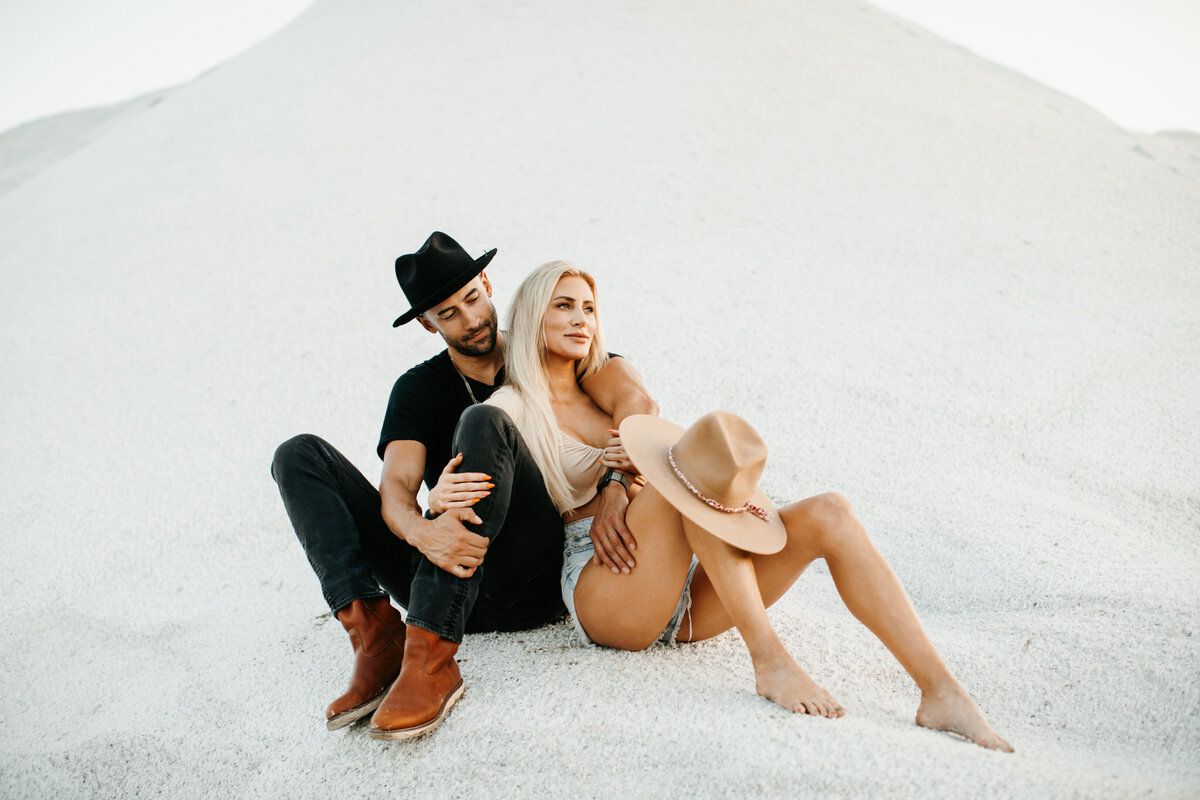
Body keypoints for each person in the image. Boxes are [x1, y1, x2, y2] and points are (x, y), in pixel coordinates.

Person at [483, 260, 1013, 752]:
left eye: (589, 308)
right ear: (532, 315)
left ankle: (940, 692)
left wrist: (620, 483)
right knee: (681, 482)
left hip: (687, 578)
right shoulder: (510, 407)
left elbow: (643, 410)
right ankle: (770, 661)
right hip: (605, 581)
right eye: (564, 306)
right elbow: (474, 477)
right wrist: (435, 504)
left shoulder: (603, 389)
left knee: (831, 511)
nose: (582, 321)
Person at [270, 233, 656, 740]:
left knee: (483, 422)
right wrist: (419, 528)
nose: (471, 319)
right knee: (298, 455)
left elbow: (636, 403)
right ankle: (377, 637)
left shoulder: (551, 350)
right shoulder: (417, 389)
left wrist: (615, 483)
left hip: (530, 572)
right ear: (428, 323)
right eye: (448, 313)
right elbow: (397, 488)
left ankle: (431, 657)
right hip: (443, 561)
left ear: (488, 284)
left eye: (473, 298)